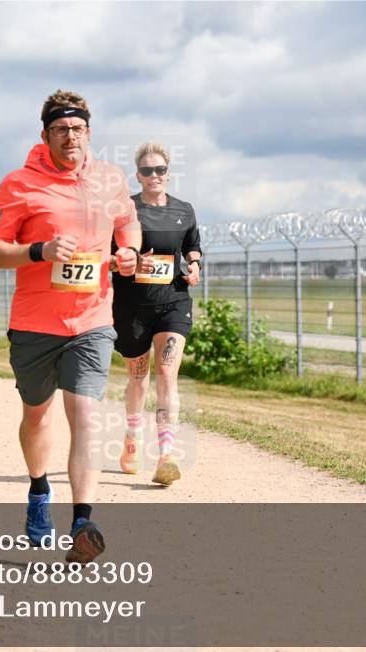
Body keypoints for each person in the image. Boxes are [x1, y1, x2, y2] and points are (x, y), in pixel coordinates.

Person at [0, 90, 142, 564]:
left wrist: (129, 252)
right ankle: (37, 491)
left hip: (92, 319)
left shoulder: (111, 179)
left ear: (89, 132)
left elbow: (127, 224)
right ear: (45, 135)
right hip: (34, 323)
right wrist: (40, 251)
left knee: (86, 416)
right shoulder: (19, 184)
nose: (69, 137)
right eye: (60, 130)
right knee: (37, 416)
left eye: (77, 129)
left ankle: (83, 522)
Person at [111, 142, 202, 486]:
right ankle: (132, 438)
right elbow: (110, 251)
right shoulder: (125, 210)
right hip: (132, 305)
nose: (154, 176)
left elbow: (192, 247)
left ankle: (167, 454)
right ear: (138, 175)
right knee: (139, 377)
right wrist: (131, 259)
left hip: (173, 301)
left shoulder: (184, 210)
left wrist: (195, 267)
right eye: (147, 171)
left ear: (168, 173)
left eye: (160, 170)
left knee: (167, 374)